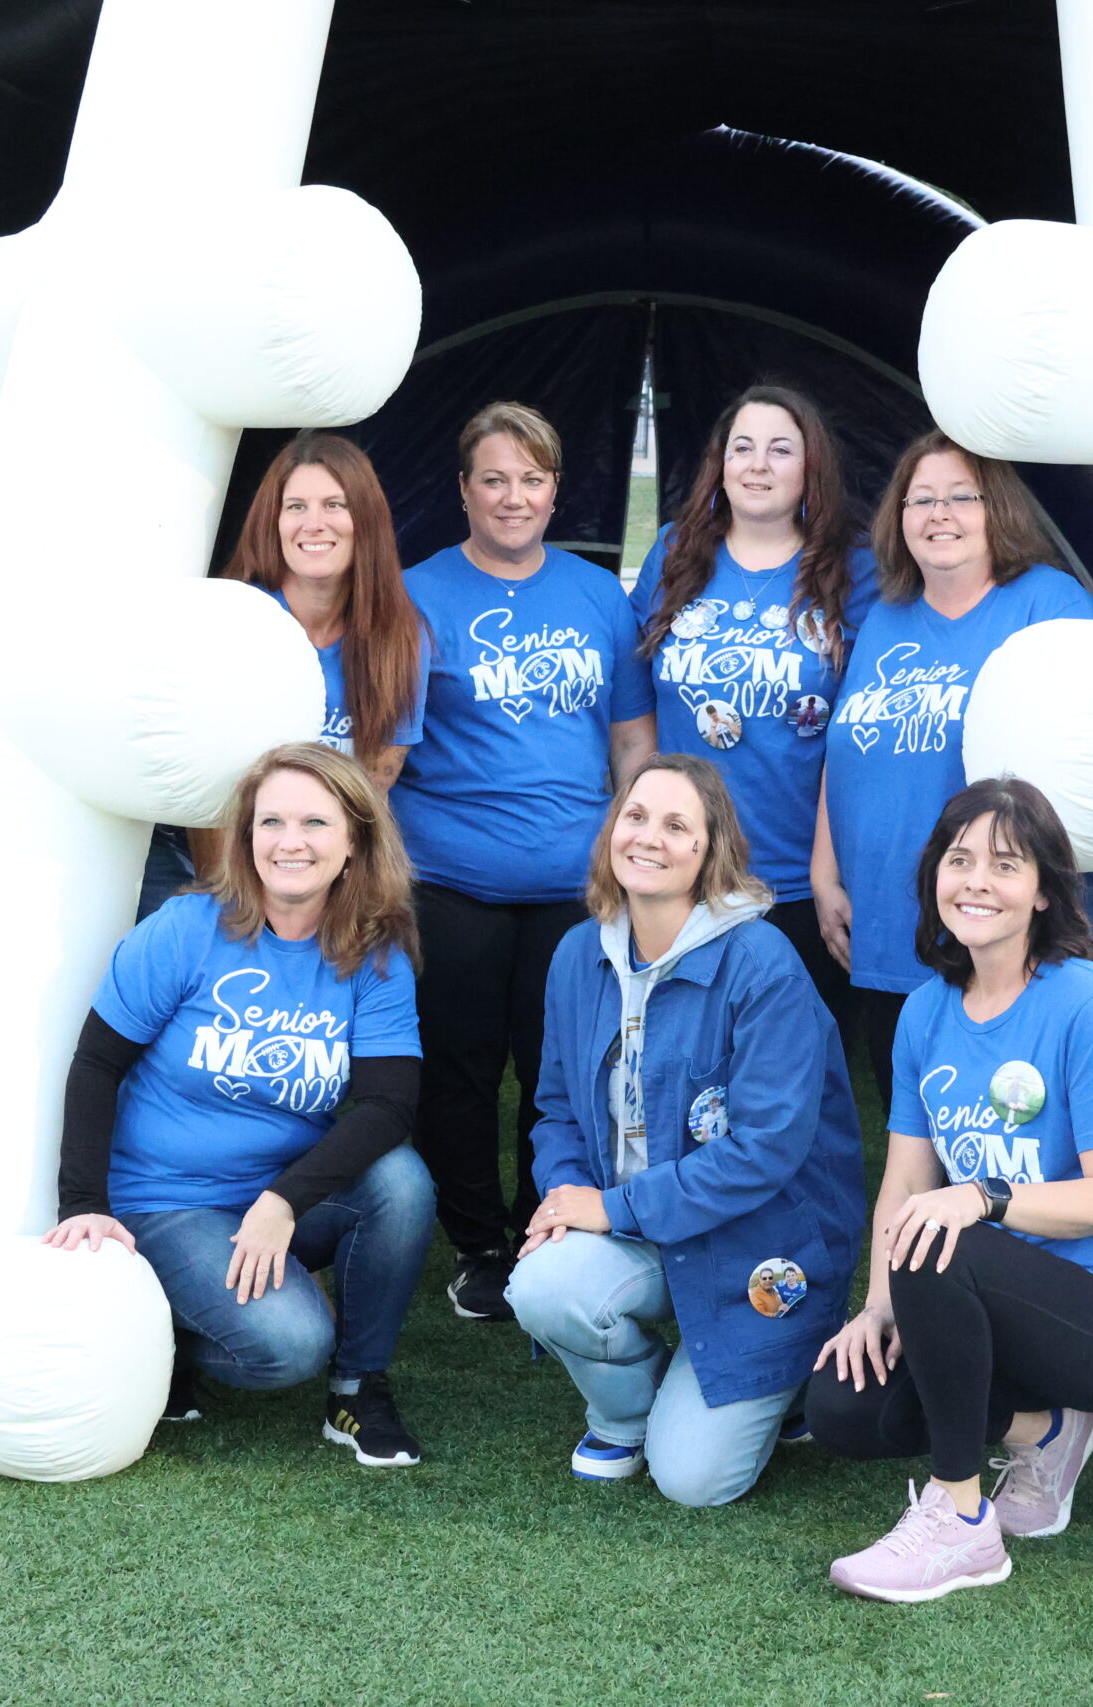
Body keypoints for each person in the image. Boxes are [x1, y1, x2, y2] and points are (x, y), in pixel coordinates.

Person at [809, 778, 1093, 1603]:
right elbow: (906, 1177)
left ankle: (961, 1521)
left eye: (1006, 864)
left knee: (942, 1238)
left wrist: (984, 1196)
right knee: (842, 1404)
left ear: (1043, 890)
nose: (977, 880)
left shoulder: (1092, 1004)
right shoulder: (925, 1011)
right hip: (980, 1299)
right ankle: (1045, 1430)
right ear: (935, 874)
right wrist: (877, 1307)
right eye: (960, 859)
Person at [45, 743, 432, 1465]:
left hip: (278, 1193)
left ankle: (358, 1386)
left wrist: (283, 1201)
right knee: (290, 1346)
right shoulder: (186, 928)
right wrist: (83, 1205)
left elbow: (388, 1106)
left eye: (315, 823)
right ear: (246, 835)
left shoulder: (375, 953)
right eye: (271, 821)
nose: (290, 841)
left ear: (354, 840)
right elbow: (97, 1063)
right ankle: (161, 1338)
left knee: (400, 1181)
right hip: (169, 1200)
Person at [506, 755, 865, 1506]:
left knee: (695, 1480)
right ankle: (626, 1413)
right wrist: (566, 1197)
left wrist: (611, 1208)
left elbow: (765, 1147)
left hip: (757, 1244)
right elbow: (556, 1108)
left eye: (677, 826)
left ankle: (775, 1377)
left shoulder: (761, 963)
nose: (649, 837)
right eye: (635, 817)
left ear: (710, 852)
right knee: (542, 1282)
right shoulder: (577, 954)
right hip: (637, 1228)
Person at [390, 401, 658, 1320]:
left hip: (575, 887)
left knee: (567, 1066)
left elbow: (632, 741)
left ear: (555, 490)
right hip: (449, 883)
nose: (514, 497)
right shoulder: (416, 594)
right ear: (463, 490)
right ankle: (479, 1245)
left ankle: (552, 1221)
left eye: (532, 479)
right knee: (459, 1070)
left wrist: (632, 852)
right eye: (494, 479)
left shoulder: (597, 595)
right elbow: (384, 755)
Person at [815, 431, 1093, 1115]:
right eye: (920, 499)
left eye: (960, 497)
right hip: (889, 921)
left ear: (998, 507)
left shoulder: (1047, 604)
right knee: (916, 1126)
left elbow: (1088, 756)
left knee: (1011, 1131)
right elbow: (845, 751)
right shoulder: (885, 617)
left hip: (1003, 932)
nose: (938, 514)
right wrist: (824, 873)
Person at [630, 384, 876, 1033]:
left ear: (811, 466)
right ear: (720, 463)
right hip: (682, 869)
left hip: (796, 875)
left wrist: (827, 874)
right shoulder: (675, 552)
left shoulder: (856, 568)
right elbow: (636, 708)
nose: (758, 465)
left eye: (780, 449)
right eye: (742, 448)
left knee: (792, 1068)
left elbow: (862, 737)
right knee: (679, 1061)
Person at [218, 431, 429, 783]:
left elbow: (374, 787)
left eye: (334, 505)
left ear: (366, 520)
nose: (313, 524)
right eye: (296, 506)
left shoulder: (400, 634)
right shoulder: (235, 621)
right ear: (274, 521)